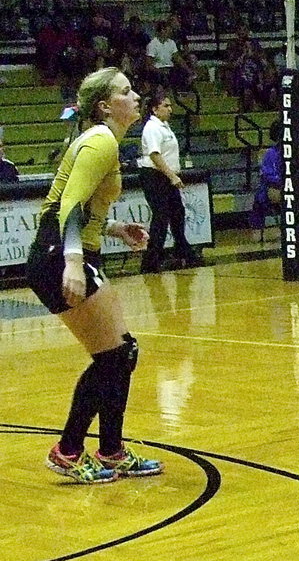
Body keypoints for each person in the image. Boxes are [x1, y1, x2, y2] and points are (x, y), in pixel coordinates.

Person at [26, 67, 163, 483]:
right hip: (57, 257)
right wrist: (71, 261)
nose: (136, 95)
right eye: (126, 91)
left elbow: (80, 208)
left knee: (120, 354)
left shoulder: (105, 142)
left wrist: (114, 228)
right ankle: (69, 450)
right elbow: (67, 205)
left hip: (71, 251)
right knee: (114, 355)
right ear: (106, 106)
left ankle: (110, 450)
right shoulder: (100, 141)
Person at [137, 88, 201, 273]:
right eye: (166, 106)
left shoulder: (164, 126)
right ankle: (151, 261)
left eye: (170, 105)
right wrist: (172, 176)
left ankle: (183, 250)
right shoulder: (152, 128)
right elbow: (155, 155)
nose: (170, 109)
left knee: (177, 213)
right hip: (155, 176)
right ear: (155, 109)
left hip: (164, 176)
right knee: (161, 217)